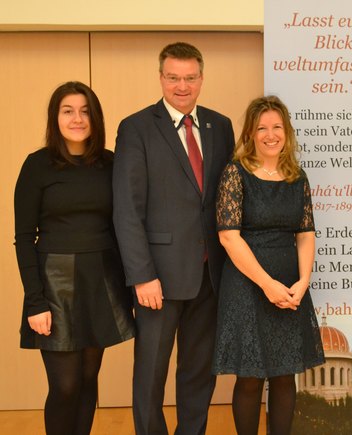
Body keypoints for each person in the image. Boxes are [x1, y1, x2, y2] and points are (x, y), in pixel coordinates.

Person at [112, 42, 235, 434]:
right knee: (151, 373)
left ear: (201, 78)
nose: (182, 86)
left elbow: (226, 199)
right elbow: (127, 209)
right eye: (173, 78)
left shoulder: (220, 125)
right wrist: (141, 275)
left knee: (199, 373)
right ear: (161, 77)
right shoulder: (136, 127)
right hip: (158, 280)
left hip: (210, 276)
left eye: (190, 78)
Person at [14, 81, 135, 435]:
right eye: (68, 111)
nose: (77, 119)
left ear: (95, 118)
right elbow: (24, 238)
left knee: (87, 378)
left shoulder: (110, 163)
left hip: (101, 280)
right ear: (55, 117)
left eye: (85, 111)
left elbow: (122, 227)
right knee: (65, 385)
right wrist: (35, 301)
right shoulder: (37, 165)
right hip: (55, 283)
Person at [213, 95, 325, 435]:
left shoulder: (297, 177)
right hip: (247, 284)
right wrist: (266, 284)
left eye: (277, 127)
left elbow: (305, 233)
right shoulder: (235, 173)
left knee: (284, 374)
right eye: (262, 128)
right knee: (250, 376)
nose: (270, 135)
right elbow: (229, 237)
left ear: (286, 132)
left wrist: (303, 281)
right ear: (250, 133)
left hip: (289, 284)